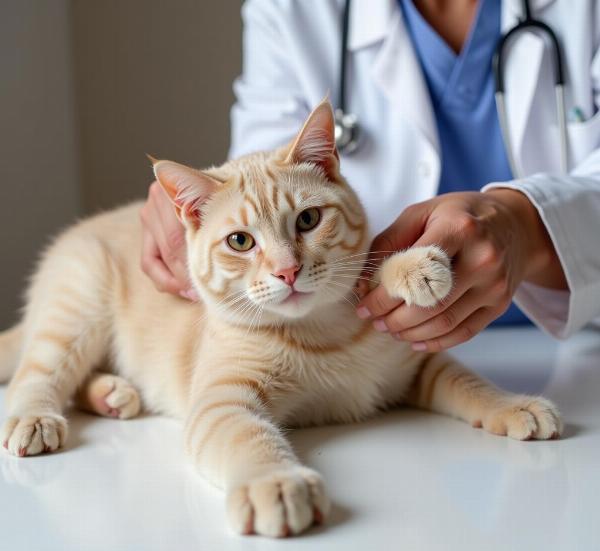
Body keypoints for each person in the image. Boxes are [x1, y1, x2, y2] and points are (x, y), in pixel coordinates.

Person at [140, 0, 600, 352]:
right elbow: (258, 184)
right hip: (380, 353)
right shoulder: (294, 10)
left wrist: (529, 228)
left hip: (577, 350)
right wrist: (204, 215)